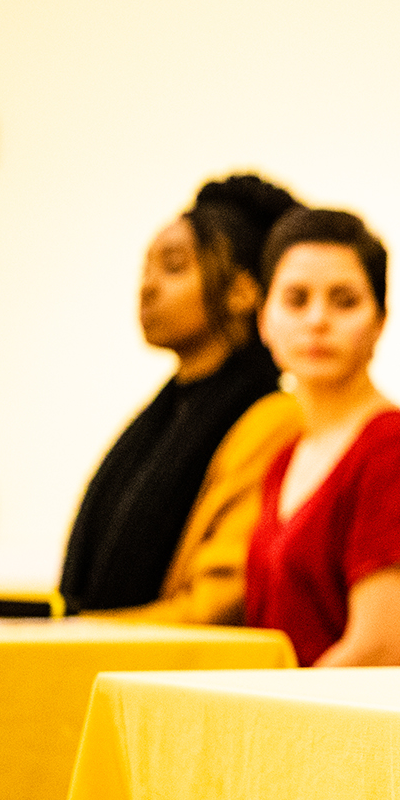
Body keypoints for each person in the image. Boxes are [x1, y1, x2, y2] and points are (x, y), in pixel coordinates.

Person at [244, 208, 400, 666]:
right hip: (299, 712)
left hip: (390, 726)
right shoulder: (283, 460)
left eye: (344, 300)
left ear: (379, 323)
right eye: (296, 299)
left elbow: (378, 650)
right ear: (263, 321)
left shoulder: (399, 451)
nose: (318, 319)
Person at [60, 174, 303, 622]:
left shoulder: (274, 419)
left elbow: (222, 603)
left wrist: (79, 634)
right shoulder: (166, 416)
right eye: (146, 269)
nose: (147, 287)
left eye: (173, 267)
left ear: (242, 291)